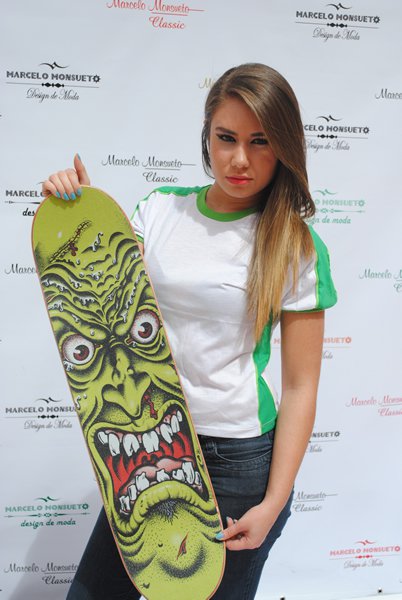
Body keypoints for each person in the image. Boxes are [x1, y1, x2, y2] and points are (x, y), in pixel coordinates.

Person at [42, 63, 337, 600]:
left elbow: (300, 388)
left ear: (284, 146)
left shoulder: (295, 246)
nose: (240, 158)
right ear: (207, 136)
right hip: (141, 443)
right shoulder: (159, 211)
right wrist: (78, 210)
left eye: (260, 141)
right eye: (226, 138)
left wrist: (273, 503)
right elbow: (97, 295)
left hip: (235, 462)